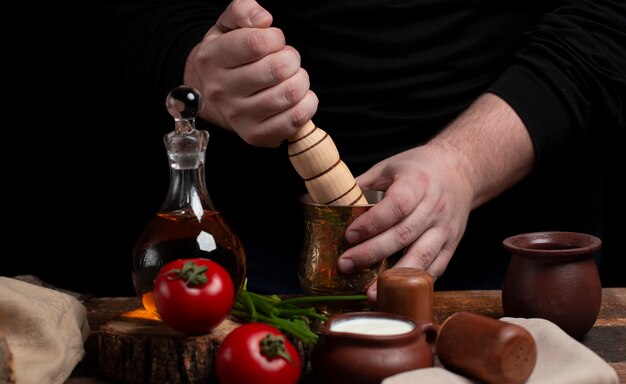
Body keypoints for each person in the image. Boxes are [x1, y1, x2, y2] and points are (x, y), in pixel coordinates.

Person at [101, 0, 626, 298]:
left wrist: (463, 164)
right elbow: (133, 13)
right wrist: (196, 67)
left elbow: (608, 20)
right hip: (244, 261)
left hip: (517, 260)